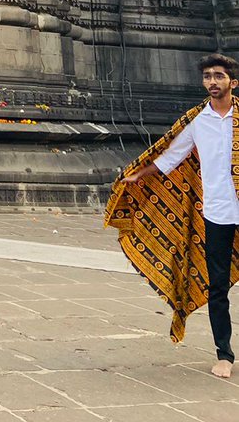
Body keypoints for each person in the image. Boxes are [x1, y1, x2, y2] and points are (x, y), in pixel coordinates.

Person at [107, 53, 239, 379]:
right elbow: (171, 156)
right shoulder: (197, 120)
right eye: (208, 76)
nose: (212, 82)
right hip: (217, 213)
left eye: (218, 76)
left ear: (232, 83)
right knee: (217, 287)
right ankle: (224, 354)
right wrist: (140, 175)